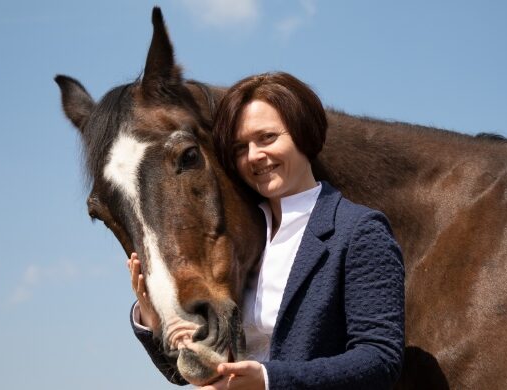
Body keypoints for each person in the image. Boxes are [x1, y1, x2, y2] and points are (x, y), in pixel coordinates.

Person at [128, 72, 405, 389]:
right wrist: (155, 320)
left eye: (267, 137)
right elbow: (188, 373)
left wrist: (269, 380)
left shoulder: (359, 231)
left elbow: (380, 360)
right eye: (240, 147)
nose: (254, 156)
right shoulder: (232, 239)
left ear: (303, 133)